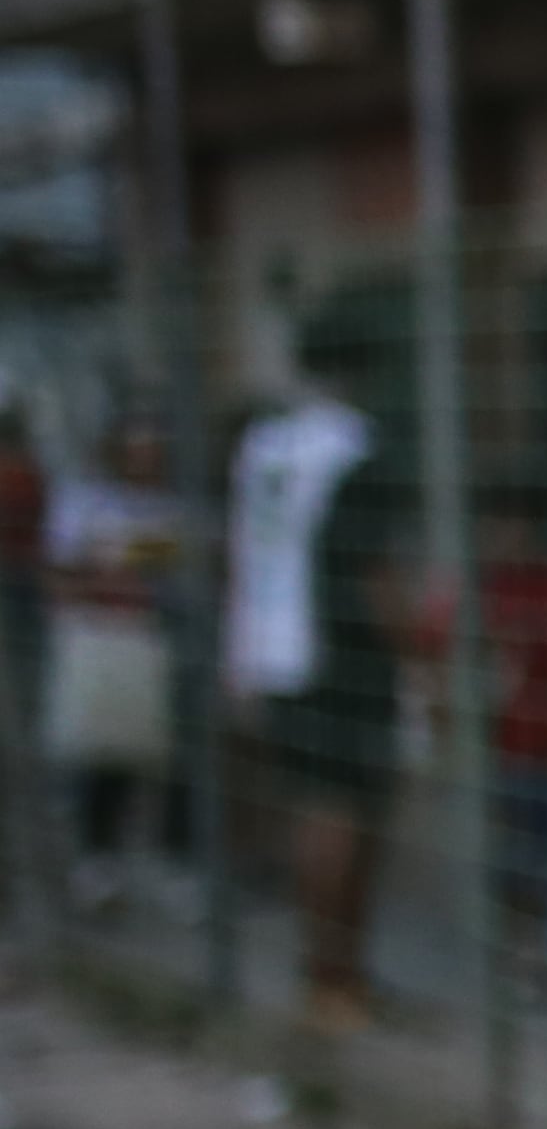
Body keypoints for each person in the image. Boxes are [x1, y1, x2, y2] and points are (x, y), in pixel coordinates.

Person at [226, 370, 422, 1036]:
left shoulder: (269, 447)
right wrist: (418, 651)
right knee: (344, 818)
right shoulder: (352, 452)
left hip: (280, 654)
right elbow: (375, 572)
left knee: (319, 810)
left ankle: (333, 974)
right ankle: (333, 978)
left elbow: (245, 555)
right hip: (342, 659)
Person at [44, 413, 185, 902]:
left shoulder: (173, 504)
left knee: (162, 751)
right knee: (102, 750)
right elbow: (63, 571)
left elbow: (192, 559)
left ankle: (171, 856)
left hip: (154, 639)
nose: (145, 456)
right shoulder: (87, 501)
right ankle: (97, 855)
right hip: (101, 639)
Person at [475, 479, 547, 959]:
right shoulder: (486, 585)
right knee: (505, 851)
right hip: (495, 744)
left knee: (537, 851)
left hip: (544, 742)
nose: (497, 535)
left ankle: (530, 947)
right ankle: (509, 948)